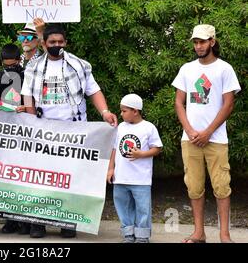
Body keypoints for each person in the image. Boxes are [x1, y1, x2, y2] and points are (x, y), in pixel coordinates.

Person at [21, 23, 118, 238]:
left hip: (74, 132)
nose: (57, 45)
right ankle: (39, 222)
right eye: (52, 42)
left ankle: (68, 222)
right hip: (44, 132)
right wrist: (31, 124)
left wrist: (105, 112)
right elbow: (28, 99)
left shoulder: (78, 65)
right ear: (44, 43)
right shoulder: (33, 67)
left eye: (60, 42)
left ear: (65, 42)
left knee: (70, 178)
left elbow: (94, 91)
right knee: (42, 178)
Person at [172, 24, 241, 243]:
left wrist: (208, 132)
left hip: (216, 139)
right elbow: (178, 102)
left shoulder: (224, 69)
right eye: (195, 42)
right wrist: (191, 131)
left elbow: (228, 104)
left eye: (202, 41)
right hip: (190, 139)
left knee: (221, 186)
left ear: (212, 41)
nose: (198, 46)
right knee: (194, 186)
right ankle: (199, 233)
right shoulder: (187, 69)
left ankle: (224, 236)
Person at [0, 43, 30, 235]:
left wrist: (25, 108)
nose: (9, 68)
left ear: (19, 61)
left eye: (13, 65)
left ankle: (25, 220)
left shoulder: (27, 75)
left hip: (24, 133)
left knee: (23, 178)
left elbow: (33, 101)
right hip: (4, 134)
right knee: (7, 178)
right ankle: (10, 219)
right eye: (6, 65)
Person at [107, 94, 162, 243]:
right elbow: (114, 149)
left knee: (142, 208)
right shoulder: (120, 128)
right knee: (123, 206)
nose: (121, 114)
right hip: (121, 177)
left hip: (140, 179)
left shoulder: (148, 127)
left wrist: (141, 154)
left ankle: (142, 236)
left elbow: (157, 148)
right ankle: (128, 234)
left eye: (124, 111)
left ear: (135, 111)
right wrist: (111, 169)